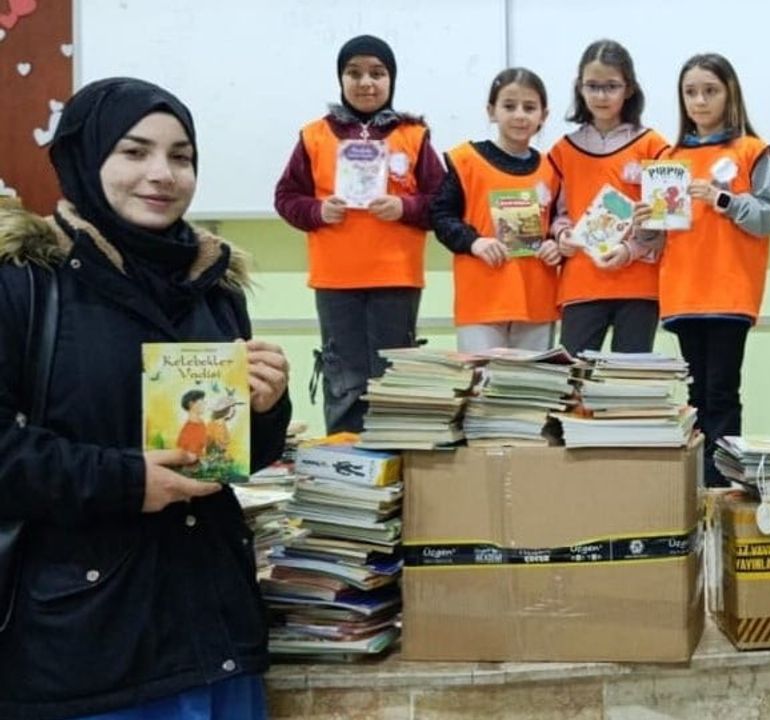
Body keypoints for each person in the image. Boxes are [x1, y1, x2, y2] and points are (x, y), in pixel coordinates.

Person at [0, 78, 291, 720]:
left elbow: (234, 458)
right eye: (134, 153)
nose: (162, 174)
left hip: (217, 639)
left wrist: (268, 409)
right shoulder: (26, 284)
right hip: (89, 653)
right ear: (85, 157)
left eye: (181, 156)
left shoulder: (215, 289)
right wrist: (126, 480)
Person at [274, 34, 444, 434]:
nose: (366, 82)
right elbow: (286, 197)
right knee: (345, 382)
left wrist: (405, 207)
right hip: (336, 280)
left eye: (377, 73)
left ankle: (400, 474)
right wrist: (317, 210)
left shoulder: (413, 135)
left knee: (394, 383)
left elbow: (442, 202)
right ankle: (346, 478)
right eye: (354, 73)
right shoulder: (314, 135)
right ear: (340, 79)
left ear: (392, 80)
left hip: (396, 279)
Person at [658, 53, 770, 486]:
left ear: (729, 93)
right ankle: (697, 485)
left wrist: (723, 200)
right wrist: (645, 220)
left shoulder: (751, 150)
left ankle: (722, 486)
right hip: (683, 294)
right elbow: (661, 236)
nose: (700, 101)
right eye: (690, 92)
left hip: (729, 294)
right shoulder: (667, 156)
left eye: (710, 90)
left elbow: (769, 217)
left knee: (722, 393)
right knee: (695, 398)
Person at [548, 39, 668, 356]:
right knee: (573, 382)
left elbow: (666, 220)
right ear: (580, 88)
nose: (601, 96)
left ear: (628, 89)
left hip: (639, 286)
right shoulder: (562, 151)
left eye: (611, 86)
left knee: (628, 386)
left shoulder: (654, 147)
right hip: (581, 284)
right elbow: (555, 214)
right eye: (593, 86)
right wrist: (562, 236)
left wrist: (631, 249)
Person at [430, 67, 562, 353]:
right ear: (492, 111)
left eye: (529, 107)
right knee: (481, 390)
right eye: (509, 106)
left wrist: (555, 246)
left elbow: (556, 224)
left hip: (537, 301)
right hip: (482, 300)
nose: (519, 115)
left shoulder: (551, 169)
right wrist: (474, 242)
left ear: (544, 116)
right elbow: (440, 217)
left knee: (534, 392)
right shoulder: (466, 161)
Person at [176, 388, 208, 457]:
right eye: (201, 401)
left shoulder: (201, 423)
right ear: (191, 404)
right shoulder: (190, 428)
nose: (205, 403)